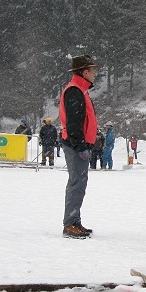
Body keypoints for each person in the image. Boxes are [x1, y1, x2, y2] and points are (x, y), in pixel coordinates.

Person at [59, 54, 99, 239]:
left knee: (79, 184)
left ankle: (74, 221)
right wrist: (80, 145)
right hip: (76, 146)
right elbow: (74, 123)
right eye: (92, 70)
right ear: (85, 72)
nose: (94, 74)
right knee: (76, 184)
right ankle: (70, 223)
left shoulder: (79, 89)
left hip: (78, 144)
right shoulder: (75, 90)